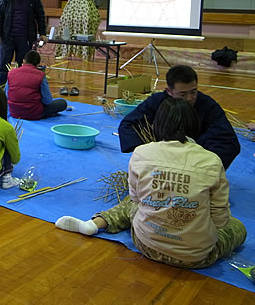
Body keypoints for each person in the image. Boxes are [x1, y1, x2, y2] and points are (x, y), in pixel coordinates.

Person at [55, 97, 246, 269]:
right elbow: (220, 219)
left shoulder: (141, 152)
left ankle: (96, 223)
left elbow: (136, 198)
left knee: (133, 203)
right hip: (196, 257)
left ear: (157, 125)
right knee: (238, 227)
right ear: (195, 125)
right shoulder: (212, 161)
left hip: (146, 244)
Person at [119, 65, 239, 170]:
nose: (189, 98)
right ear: (169, 91)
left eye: (193, 92)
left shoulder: (208, 105)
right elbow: (129, 125)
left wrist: (206, 167)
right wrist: (147, 154)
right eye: (182, 94)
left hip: (196, 159)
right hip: (160, 156)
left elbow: (227, 140)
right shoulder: (157, 101)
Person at [0, 0, 47, 86]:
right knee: (2, 65)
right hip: (7, 37)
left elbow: (40, 16)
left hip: (25, 38)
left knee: (23, 66)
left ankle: (21, 88)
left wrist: (42, 33)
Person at [7, 50, 67, 119]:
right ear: (38, 65)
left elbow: (7, 95)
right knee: (62, 103)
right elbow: (47, 101)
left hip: (14, 112)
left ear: (23, 61)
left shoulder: (11, 73)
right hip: (34, 113)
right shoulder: (41, 75)